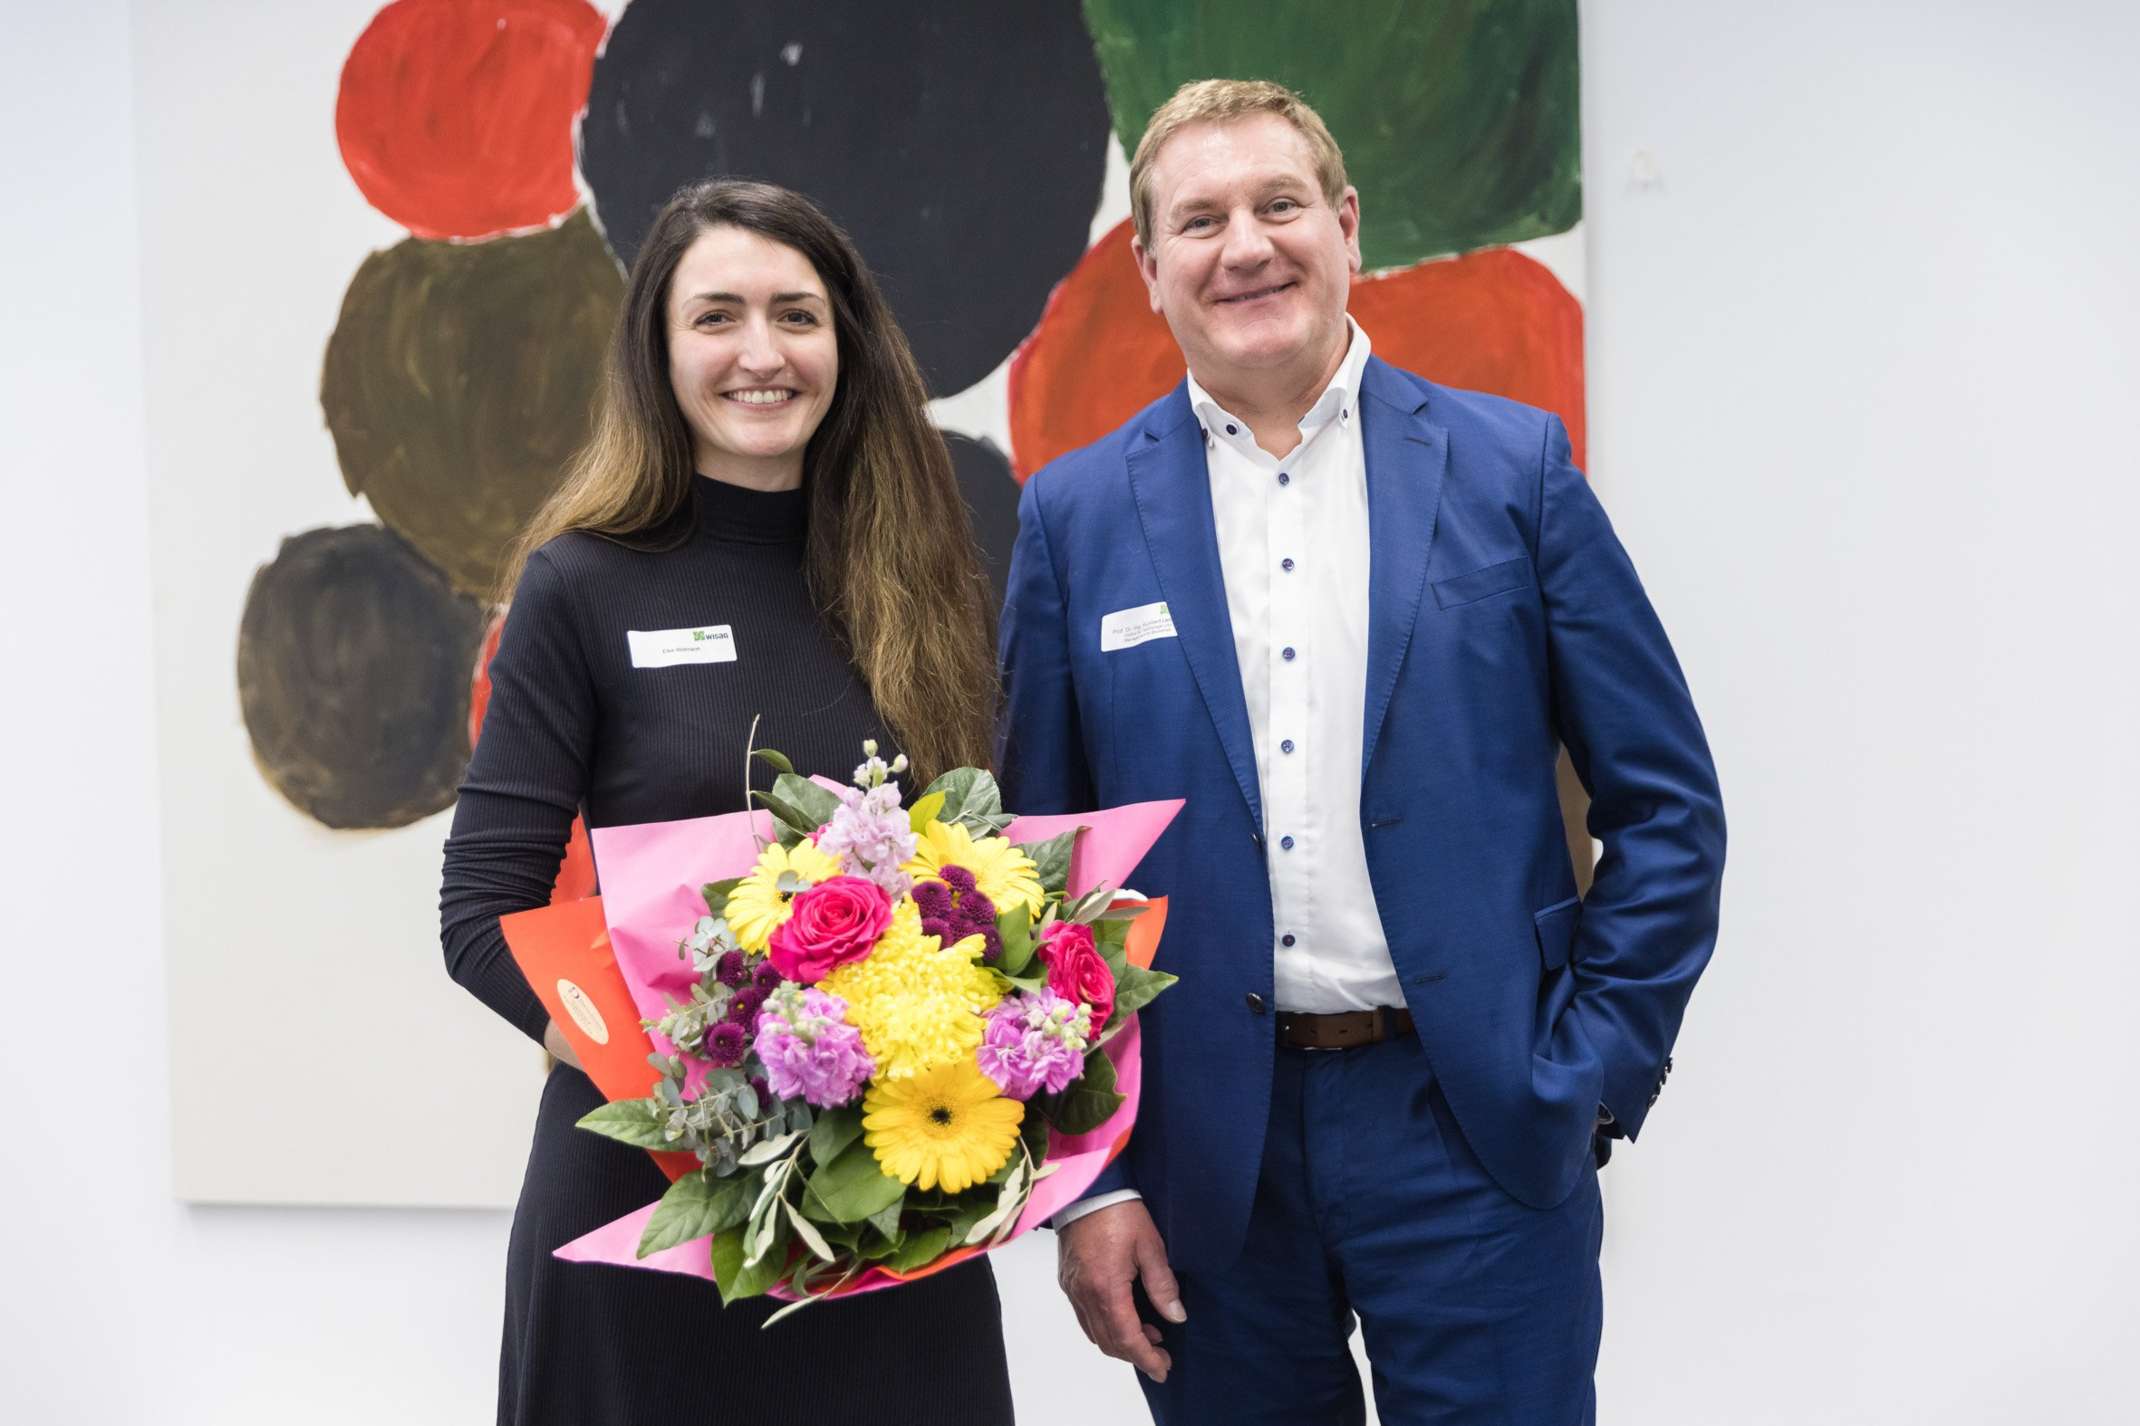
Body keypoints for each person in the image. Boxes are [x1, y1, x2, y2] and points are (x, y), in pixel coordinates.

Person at [998, 80, 1726, 1425]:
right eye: (1200, 220)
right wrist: (1087, 1179)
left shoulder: (1515, 470)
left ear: (1344, 224)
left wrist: (1590, 1073)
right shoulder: (1076, 516)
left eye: (1279, 204)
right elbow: (1039, 876)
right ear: (1150, 267)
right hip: (1207, 1153)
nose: (1246, 245)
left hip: (1472, 1122)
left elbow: (1670, 809)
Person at [440, 179, 1013, 1425]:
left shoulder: (927, 578)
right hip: (649, 1217)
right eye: (718, 316)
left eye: (796, 315)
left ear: (846, 344)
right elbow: (480, 914)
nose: (762, 353)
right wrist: (692, 1089)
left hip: (889, 1219)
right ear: (658, 348)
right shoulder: (581, 583)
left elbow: (990, 892)